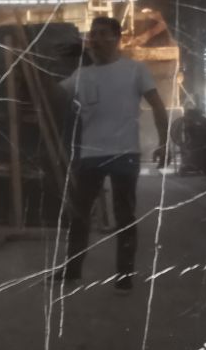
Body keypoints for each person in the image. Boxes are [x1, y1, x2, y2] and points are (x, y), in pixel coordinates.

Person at [56, 16, 169, 292]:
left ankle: (124, 275)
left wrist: (164, 143)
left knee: (124, 215)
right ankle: (72, 270)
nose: (95, 38)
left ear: (117, 39)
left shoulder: (135, 70)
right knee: (79, 215)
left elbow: (157, 106)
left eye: (102, 33)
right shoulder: (82, 74)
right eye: (92, 34)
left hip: (124, 153)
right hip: (90, 155)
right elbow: (54, 94)